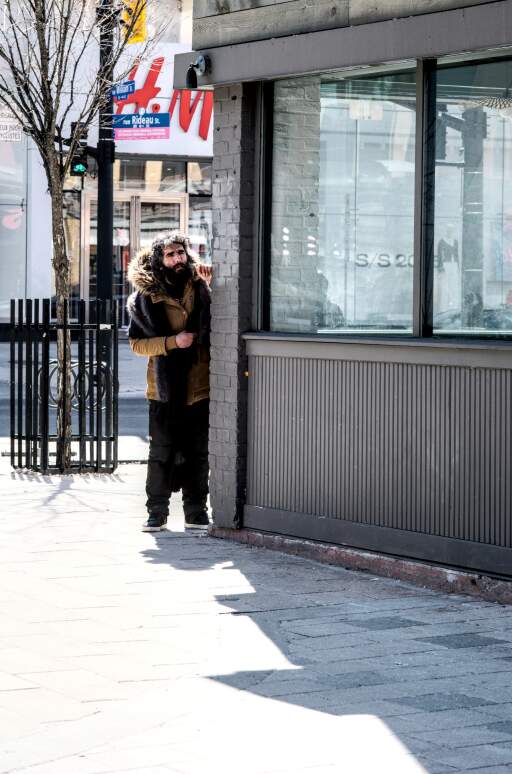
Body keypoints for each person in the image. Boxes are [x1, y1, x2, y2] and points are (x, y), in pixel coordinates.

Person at [127, 232, 211, 532]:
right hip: (163, 389)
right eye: (170, 255)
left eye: (181, 253)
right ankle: (157, 512)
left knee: (198, 452)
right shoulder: (145, 298)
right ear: (159, 260)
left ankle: (196, 511)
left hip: (199, 386)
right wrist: (173, 342)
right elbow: (137, 344)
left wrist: (212, 287)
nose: (178, 259)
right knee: (161, 451)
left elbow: (220, 319)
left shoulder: (201, 285)